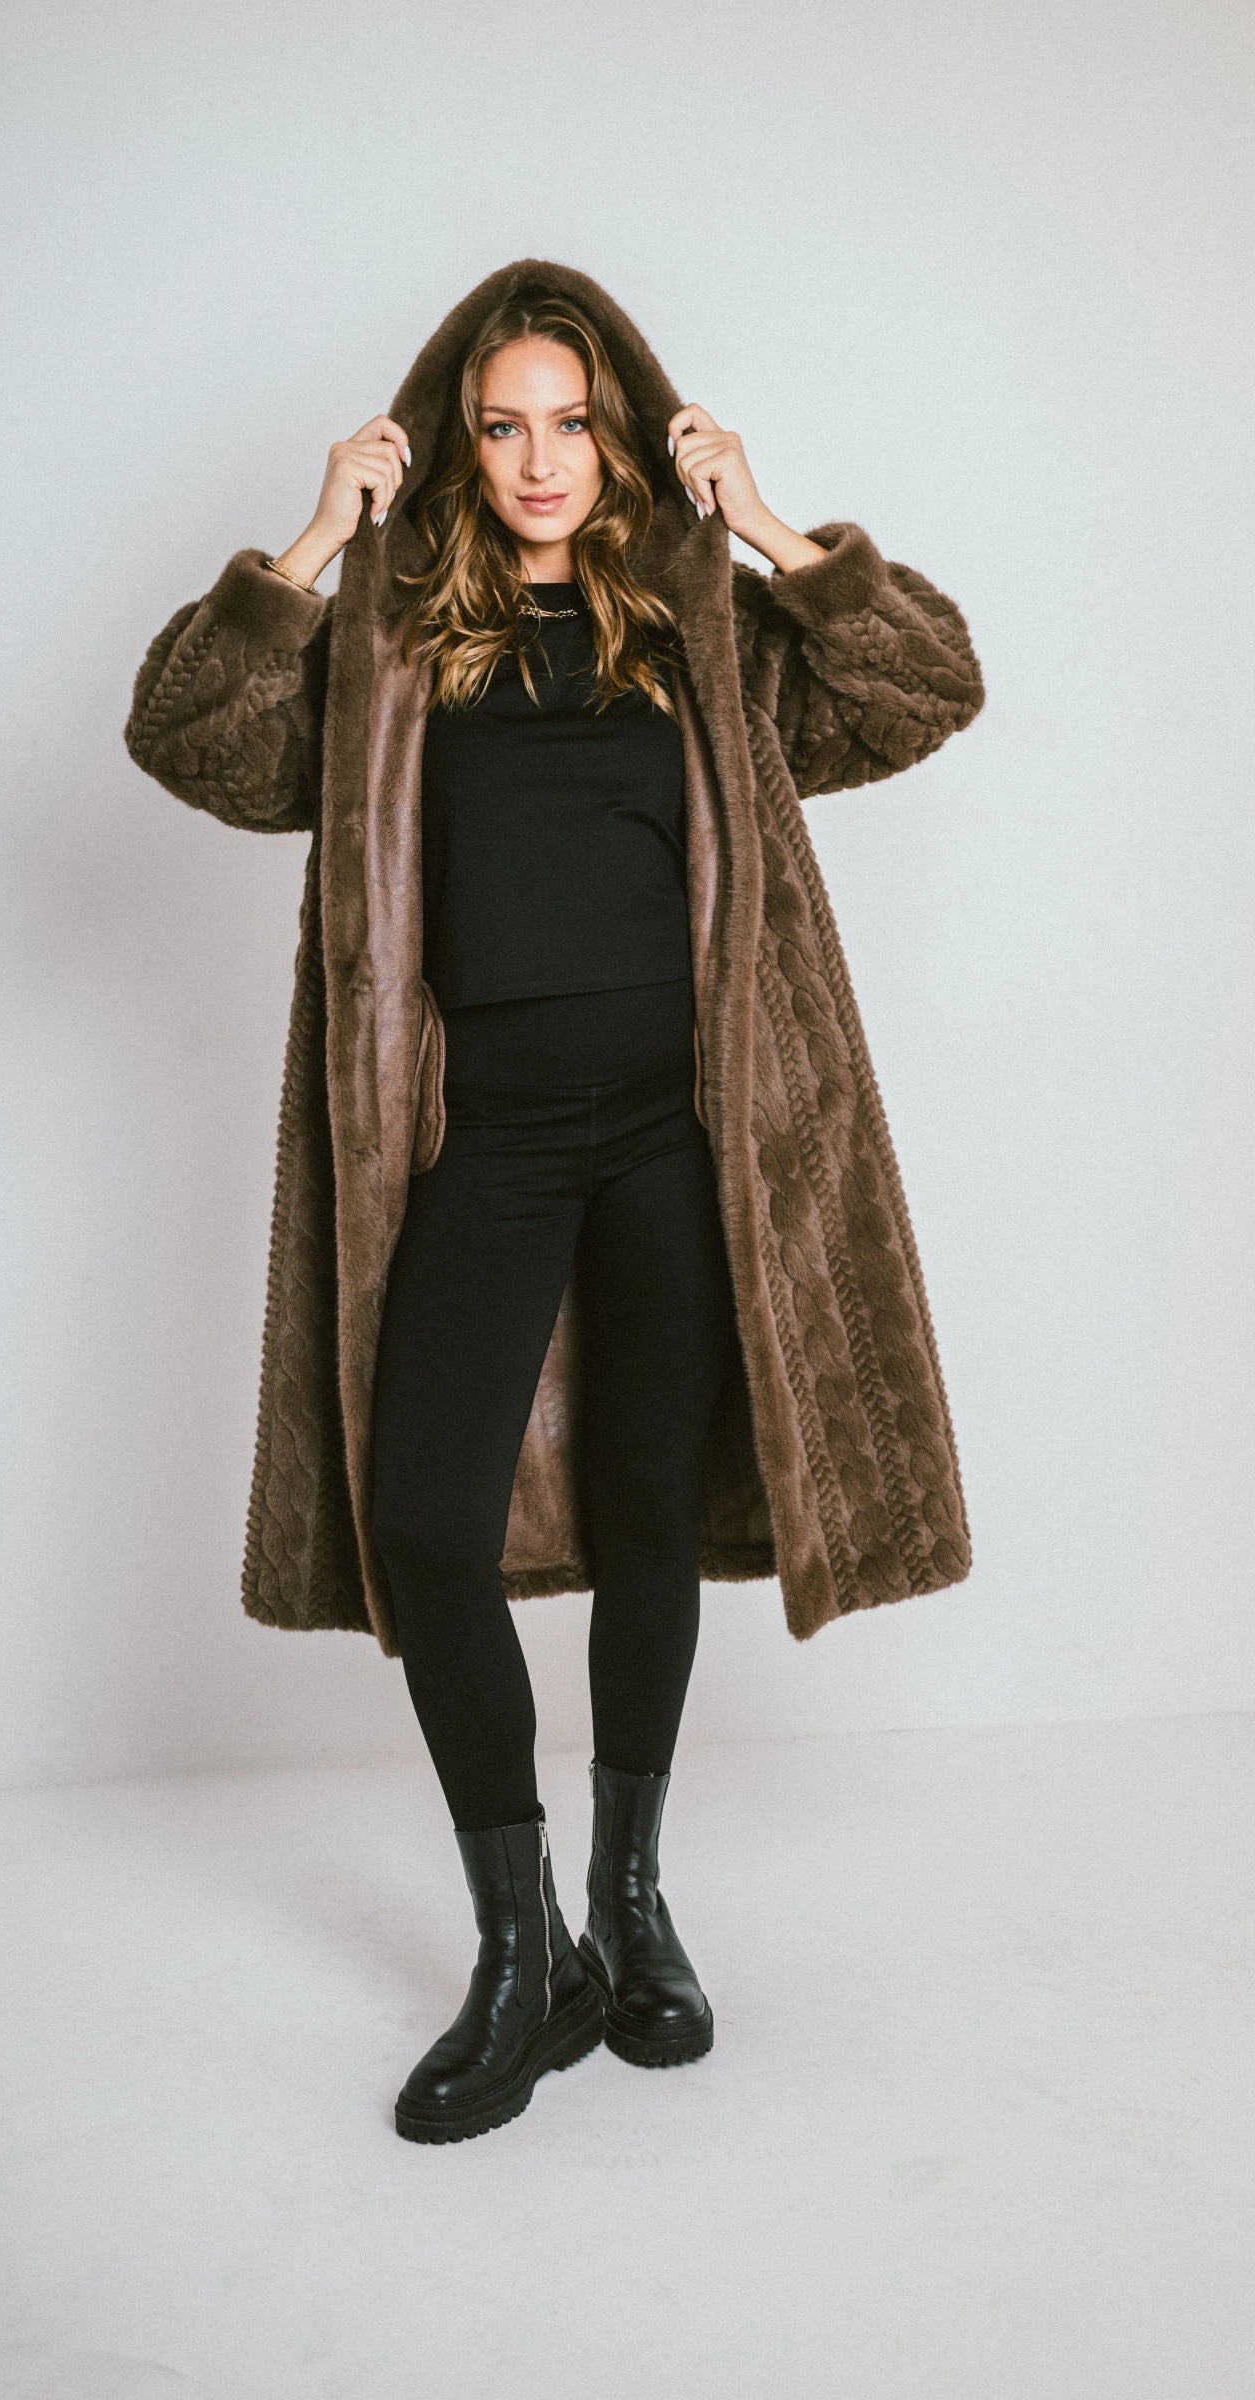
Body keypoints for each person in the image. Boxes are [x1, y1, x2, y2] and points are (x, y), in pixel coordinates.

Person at [124, 263, 985, 2148]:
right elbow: (183, 739)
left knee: (646, 1513)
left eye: (572, 424)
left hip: (679, 1132)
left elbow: (930, 685)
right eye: (503, 425)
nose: (538, 460)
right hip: (490, 1142)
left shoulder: (703, 635)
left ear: (623, 436)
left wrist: (769, 527)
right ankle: (525, 1957)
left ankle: (631, 1901)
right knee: (426, 1520)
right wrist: (307, 544)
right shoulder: (387, 651)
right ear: (456, 439)